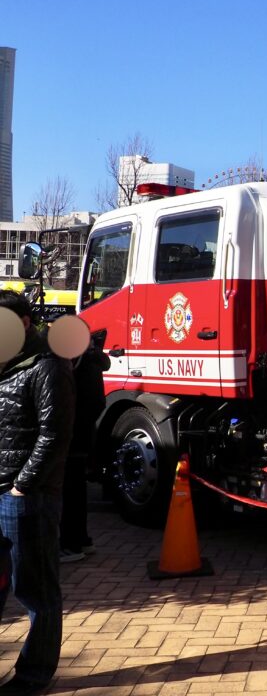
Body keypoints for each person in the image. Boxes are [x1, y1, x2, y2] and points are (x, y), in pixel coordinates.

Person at [0, 290, 75, 695]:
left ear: (24, 324)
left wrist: (21, 486)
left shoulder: (46, 366)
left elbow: (54, 434)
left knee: (35, 590)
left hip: (26, 496)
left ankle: (33, 676)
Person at [59, 339, 109, 563]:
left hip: (72, 437)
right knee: (76, 491)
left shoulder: (80, 363)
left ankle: (72, 544)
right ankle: (81, 539)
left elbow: (83, 403)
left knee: (70, 492)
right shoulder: (90, 360)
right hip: (82, 436)